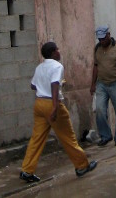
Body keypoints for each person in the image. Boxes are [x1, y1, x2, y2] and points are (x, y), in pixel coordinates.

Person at [20, 42, 97, 183]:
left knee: (36, 139)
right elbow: (54, 84)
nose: (59, 51)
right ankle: (82, 165)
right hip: (52, 103)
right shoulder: (57, 66)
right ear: (53, 53)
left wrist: (43, 84)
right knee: (68, 137)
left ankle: (27, 170)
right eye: (57, 49)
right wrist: (55, 107)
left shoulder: (40, 67)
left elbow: (33, 85)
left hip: (39, 103)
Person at [89, 26, 116, 147]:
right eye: (99, 39)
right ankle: (105, 136)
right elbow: (95, 67)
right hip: (101, 83)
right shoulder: (97, 48)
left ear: (108, 35)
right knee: (100, 110)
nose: (102, 41)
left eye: (103, 38)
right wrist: (93, 84)